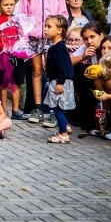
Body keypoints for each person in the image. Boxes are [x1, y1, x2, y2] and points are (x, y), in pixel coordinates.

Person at [14, 0, 67, 127]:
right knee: (36, 70)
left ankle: (53, 109)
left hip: (53, 37)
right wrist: (24, 37)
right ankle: (38, 107)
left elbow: (63, 13)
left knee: (52, 72)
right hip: (34, 37)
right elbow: (22, 16)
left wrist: (60, 33)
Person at [0, 0, 25, 120]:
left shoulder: (18, 20)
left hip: (17, 56)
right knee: (3, 84)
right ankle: (3, 110)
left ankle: (16, 109)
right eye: (6, 4)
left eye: (12, 4)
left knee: (17, 82)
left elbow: (22, 37)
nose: (9, 7)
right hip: (2, 58)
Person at [42, 15, 75, 144]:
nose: (45, 29)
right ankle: (65, 125)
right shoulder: (55, 46)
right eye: (45, 26)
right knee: (57, 106)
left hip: (59, 82)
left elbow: (63, 66)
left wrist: (60, 82)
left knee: (57, 108)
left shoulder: (59, 47)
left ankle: (63, 134)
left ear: (59, 30)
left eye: (49, 27)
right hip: (56, 81)